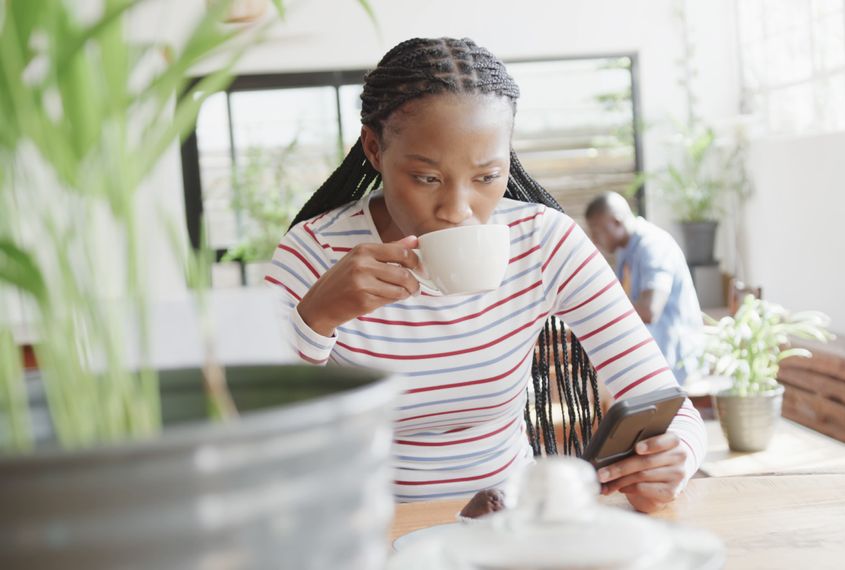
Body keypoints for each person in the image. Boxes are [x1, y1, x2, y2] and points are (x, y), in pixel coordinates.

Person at [265, 37, 705, 513]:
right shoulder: (313, 252)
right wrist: (315, 319)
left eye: (485, 177)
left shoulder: (541, 241)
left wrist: (674, 455)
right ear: (374, 148)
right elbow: (246, 434)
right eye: (427, 178)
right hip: (361, 535)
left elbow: (667, 402)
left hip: (507, 531)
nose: (457, 211)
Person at [584, 192, 704, 385]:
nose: (595, 240)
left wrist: (600, 315)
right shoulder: (626, 250)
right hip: (655, 359)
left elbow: (650, 311)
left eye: (597, 232)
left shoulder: (653, 246)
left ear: (616, 222)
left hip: (676, 362)